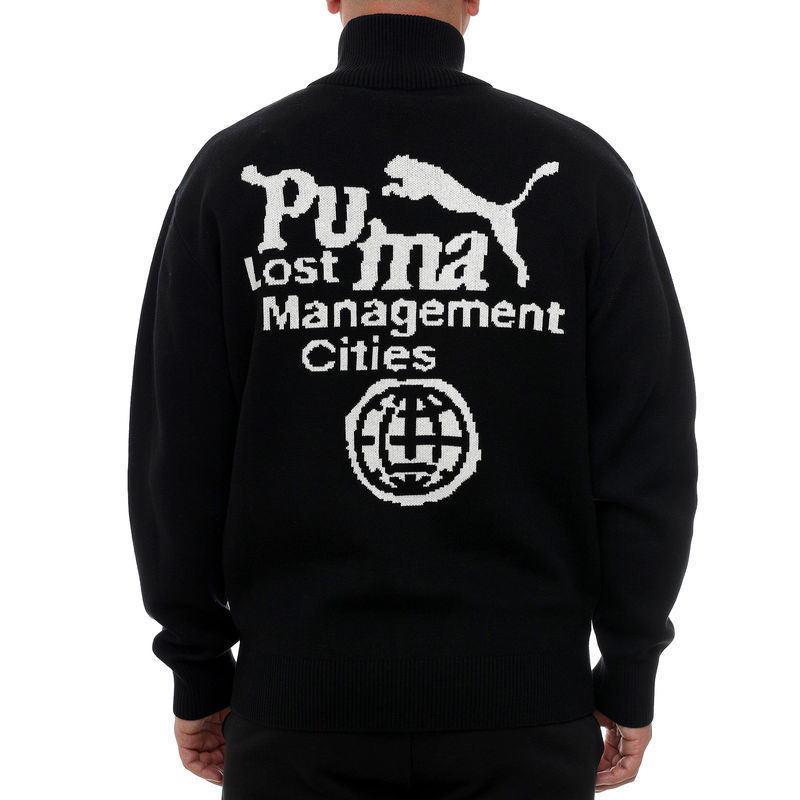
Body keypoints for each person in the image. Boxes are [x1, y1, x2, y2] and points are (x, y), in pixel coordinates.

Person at [126, 1, 698, 797]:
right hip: (524, 715)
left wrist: (197, 665)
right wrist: (630, 667)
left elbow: (177, 453)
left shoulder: (232, 170)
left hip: (297, 711)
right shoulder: (582, 172)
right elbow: (647, 455)